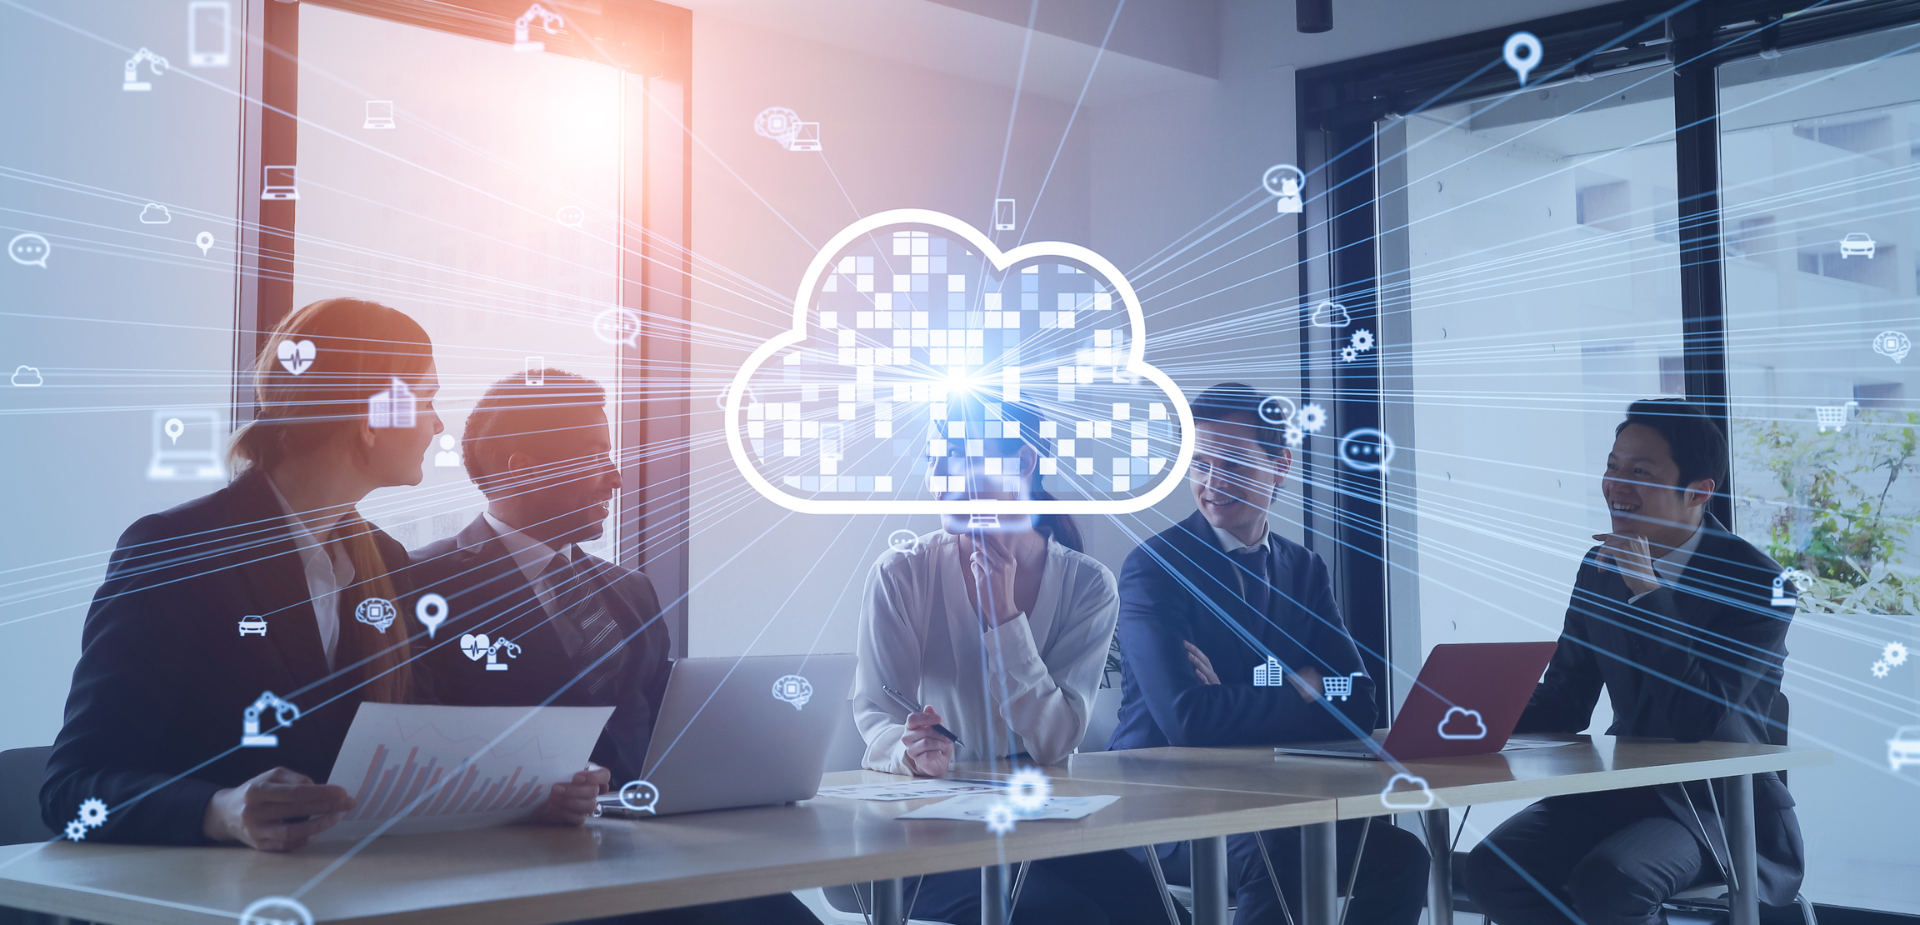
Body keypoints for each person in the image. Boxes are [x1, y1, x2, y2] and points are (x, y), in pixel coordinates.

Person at [41, 298, 604, 850]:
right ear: (372, 418)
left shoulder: (383, 560)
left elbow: (411, 754)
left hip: (348, 893)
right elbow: (71, 788)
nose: (437, 424)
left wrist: (529, 795)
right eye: (427, 400)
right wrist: (220, 811)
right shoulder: (179, 549)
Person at [408, 369, 816, 925]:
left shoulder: (629, 590)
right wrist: (521, 795)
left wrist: (753, 764)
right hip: (513, 872)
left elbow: (660, 728)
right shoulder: (422, 584)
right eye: (595, 456)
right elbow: (410, 738)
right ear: (523, 470)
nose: (616, 479)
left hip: (650, 853)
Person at [1463, 399, 1805, 925]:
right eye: (1612, 466)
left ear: (1698, 491)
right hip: (1623, 791)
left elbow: (1698, 718)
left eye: (1639, 472)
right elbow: (1566, 700)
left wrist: (1648, 590)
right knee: (1493, 868)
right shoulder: (1599, 568)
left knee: (1612, 880)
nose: (1615, 484)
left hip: (1717, 805)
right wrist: (1462, 720)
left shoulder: (1761, 584)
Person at [854, 394, 1181, 925]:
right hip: (929, 831)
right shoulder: (902, 573)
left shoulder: (1087, 584)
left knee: (1155, 913)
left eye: (958, 454)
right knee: (1064, 918)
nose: (938, 474)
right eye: (934, 457)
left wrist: (1004, 618)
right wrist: (908, 750)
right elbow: (876, 712)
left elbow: (1056, 740)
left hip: (1042, 820)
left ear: (1024, 461)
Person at [1111, 383, 1430, 925]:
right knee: (1276, 852)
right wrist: (1298, 686)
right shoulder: (1155, 567)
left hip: (1267, 797)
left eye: (1231, 462)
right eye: (1199, 464)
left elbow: (1358, 701)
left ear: (1280, 462)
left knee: (1401, 858)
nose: (1210, 483)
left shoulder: (1302, 569)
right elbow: (1187, 719)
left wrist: (1240, 699)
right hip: (1164, 805)